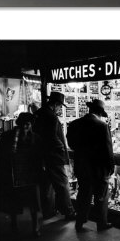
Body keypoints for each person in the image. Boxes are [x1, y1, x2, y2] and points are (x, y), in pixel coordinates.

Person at [66, 99, 114, 232]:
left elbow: (71, 144)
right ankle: (101, 223)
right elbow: (107, 149)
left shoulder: (75, 124)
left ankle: (80, 222)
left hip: (82, 166)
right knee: (101, 196)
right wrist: (110, 167)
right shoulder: (102, 126)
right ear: (100, 112)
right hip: (99, 168)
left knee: (83, 194)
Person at [0, 112, 43, 237]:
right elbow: (0, 154)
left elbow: (39, 157)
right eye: (23, 124)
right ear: (19, 123)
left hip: (30, 173)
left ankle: (35, 226)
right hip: (14, 173)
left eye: (27, 124)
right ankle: (14, 224)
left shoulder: (35, 138)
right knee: (14, 201)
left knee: (33, 201)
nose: (25, 127)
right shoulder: (8, 136)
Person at [33, 92, 76, 220]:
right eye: (59, 106)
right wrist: (62, 149)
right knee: (63, 184)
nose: (59, 109)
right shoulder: (51, 117)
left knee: (46, 186)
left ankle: (48, 211)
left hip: (41, 156)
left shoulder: (39, 113)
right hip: (53, 156)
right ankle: (69, 212)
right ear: (56, 104)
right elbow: (53, 138)